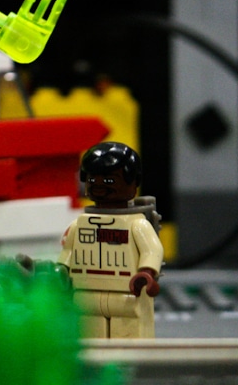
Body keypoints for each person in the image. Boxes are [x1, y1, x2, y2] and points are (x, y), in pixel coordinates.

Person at [57, 141, 163, 338]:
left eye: (108, 180)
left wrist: (146, 273)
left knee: (130, 337)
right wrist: (61, 271)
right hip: (85, 294)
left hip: (128, 294)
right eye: (91, 179)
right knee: (90, 340)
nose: (98, 185)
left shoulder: (137, 224)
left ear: (133, 183)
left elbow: (152, 250)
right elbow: (68, 253)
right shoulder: (79, 224)